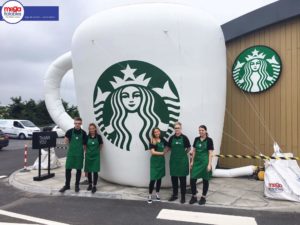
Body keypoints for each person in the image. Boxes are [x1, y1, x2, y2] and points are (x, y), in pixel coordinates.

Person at [59, 117, 87, 193]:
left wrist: (86, 154)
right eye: (76, 123)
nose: (77, 125)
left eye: (79, 123)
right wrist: (68, 144)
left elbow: (85, 146)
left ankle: (77, 185)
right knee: (68, 169)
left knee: (78, 170)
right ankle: (67, 185)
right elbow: (66, 141)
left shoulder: (84, 133)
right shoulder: (69, 132)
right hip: (71, 154)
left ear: (81, 124)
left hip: (79, 154)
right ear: (74, 123)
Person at [189, 125, 214, 205]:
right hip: (196, 162)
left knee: (205, 180)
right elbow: (194, 151)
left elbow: (210, 153)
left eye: (202, 130)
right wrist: (192, 162)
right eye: (199, 130)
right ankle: (194, 196)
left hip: (205, 162)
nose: (201, 132)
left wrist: (209, 164)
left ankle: (203, 197)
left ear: (206, 131)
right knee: (192, 179)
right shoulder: (196, 139)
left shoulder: (209, 140)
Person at [167, 122, 191, 204]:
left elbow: (188, 148)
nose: (177, 129)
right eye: (175, 128)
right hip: (173, 161)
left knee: (182, 180)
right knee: (174, 180)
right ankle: (175, 195)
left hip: (182, 162)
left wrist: (183, 154)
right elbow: (169, 148)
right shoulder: (171, 138)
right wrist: (162, 153)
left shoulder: (184, 138)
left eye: (178, 128)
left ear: (181, 128)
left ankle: (183, 196)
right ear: (174, 129)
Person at [147, 128, 167, 204]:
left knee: (159, 178)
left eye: (158, 131)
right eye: (155, 132)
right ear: (153, 133)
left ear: (160, 132)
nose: (157, 133)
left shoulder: (162, 140)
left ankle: (157, 194)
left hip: (161, 161)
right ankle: (149, 195)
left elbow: (168, 146)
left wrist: (166, 150)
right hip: (154, 162)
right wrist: (162, 153)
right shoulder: (152, 140)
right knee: (153, 179)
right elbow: (152, 152)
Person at [84, 123, 103, 193]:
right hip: (88, 155)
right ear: (89, 130)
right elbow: (84, 146)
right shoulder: (86, 137)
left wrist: (97, 151)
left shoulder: (99, 137)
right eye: (90, 129)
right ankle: (90, 184)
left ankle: (94, 186)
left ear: (95, 129)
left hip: (96, 156)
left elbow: (101, 145)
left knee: (95, 171)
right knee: (89, 171)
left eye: (93, 128)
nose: (91, 130)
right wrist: (87, 152)